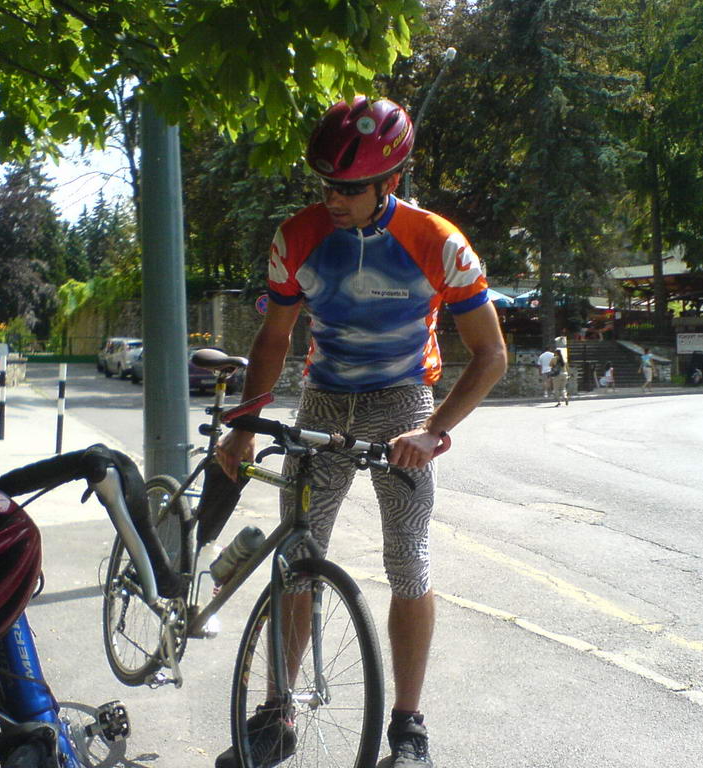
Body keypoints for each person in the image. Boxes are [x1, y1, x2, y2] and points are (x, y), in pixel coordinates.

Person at [214, 96, 507, 768]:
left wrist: (433, 432)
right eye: (327, 185)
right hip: (324, 401)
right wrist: (243, 425)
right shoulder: (298, 235)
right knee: (297, 559)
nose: (334, 200)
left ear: (389, 182)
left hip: (403, 403)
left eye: (349, 189)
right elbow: (275, 337)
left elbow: (491, 355)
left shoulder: (438, 241)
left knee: (408, 560)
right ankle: (278, 713)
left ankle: (408, 728)